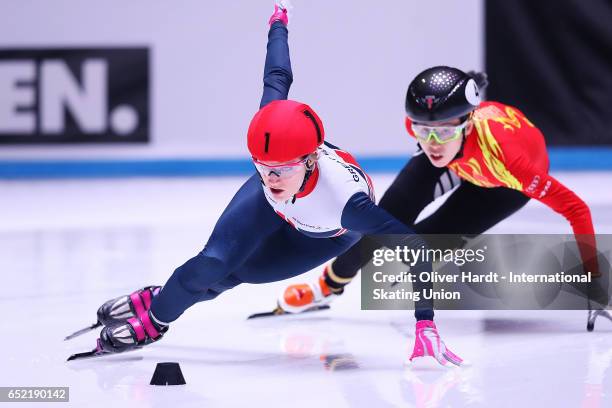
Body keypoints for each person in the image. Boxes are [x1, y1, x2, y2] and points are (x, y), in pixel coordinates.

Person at [77, 2, 463, 367]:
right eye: (261, 166)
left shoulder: (346, 201)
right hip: (275, 207)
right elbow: (277, 74)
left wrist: (425, 323)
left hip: (323, 234)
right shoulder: (273, 147)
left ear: (311, 159)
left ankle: (159, 299)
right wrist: (280, 18)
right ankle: (156, 321)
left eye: (281, 169)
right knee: (213, 261)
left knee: (235, 275)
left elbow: (414, 248)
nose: (270, 178)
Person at [279, 65, 602, 344]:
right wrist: (442, 132)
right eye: (422, 131)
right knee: (382, 222)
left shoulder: (511, 161)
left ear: (466, 124)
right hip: (463, 156)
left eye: (444, 131)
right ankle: (326, 286)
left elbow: (576, 209)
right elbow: (437, 136)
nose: (432, 144)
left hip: (501, 182)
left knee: (426, 243)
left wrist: (595, 283)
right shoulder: (436, 136)